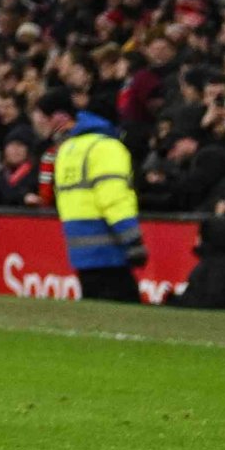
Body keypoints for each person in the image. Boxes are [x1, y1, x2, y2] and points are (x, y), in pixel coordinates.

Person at [52, 100, 146, 302]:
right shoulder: (106, 147)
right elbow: (114, 199)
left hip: (80, 251)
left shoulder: (67, 149)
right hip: (109, 250)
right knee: (129, 314)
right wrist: (133, 240)